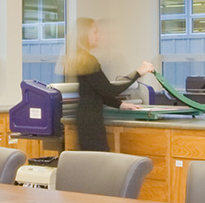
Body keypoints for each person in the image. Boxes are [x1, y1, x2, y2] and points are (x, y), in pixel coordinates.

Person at [63, 16, 153, 152]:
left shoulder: (80, 58)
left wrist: (121, 105)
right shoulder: (88, 60)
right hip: (91, 121)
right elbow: (109, 90)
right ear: (84, 34)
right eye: (95, 32)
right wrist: (138, 72)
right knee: (100, 162)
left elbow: (98, 91)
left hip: (87, 119)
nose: (98, 36)